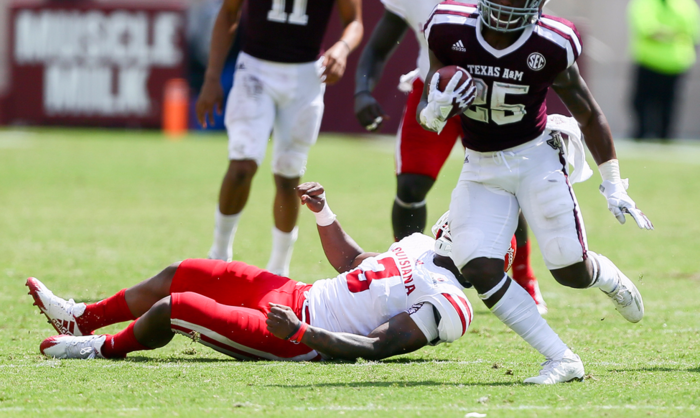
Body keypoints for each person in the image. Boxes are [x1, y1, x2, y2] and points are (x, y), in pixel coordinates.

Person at [417, 0, 653, 384]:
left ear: (538, 0)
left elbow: (588, 112)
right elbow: (428, 107)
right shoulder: (447, 27)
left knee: (570, 272)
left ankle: (609, 278)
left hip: (535, 158)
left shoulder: (552, 41)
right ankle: (561, 358)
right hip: (480, 164)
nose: (505, 4)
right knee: (480, 266)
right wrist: (435, 109)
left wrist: (614, 183)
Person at [28, 182, 490, 362]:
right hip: (297, 293)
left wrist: (303, 332)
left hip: (297, 336)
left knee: (178, 308)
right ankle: (83, 317)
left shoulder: (450, 303)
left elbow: (377, 346)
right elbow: (355, 264)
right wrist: (325, 213)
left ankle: (102, 348)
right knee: (182, 272)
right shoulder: (422, 246)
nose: (457, 220)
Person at [354, 0, 547, 313]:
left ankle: (525, 278)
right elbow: (379, 45)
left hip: (487, 92)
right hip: (434, 92)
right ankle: (404, 276)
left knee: (506, 188)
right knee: (410, 186)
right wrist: (362, 90)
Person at [195, 0, 365, 276]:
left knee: (289, 174)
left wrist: (341, 46)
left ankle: (278, 269)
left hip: (306, 75)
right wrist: (211, 78)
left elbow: (354, 20)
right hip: (256, 68)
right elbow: (229, 10)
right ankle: (218, 254)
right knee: (242, 163)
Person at [628, 0, 700, 140]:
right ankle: (664, 137)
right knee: (669, 104)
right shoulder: (685, 1)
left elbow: (648, 31)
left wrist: (664, 34)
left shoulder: (644, 0)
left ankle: (645, 135)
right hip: (676, 61)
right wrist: (676, 35)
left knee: (642, 102)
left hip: (650, 61)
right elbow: (692, 35)